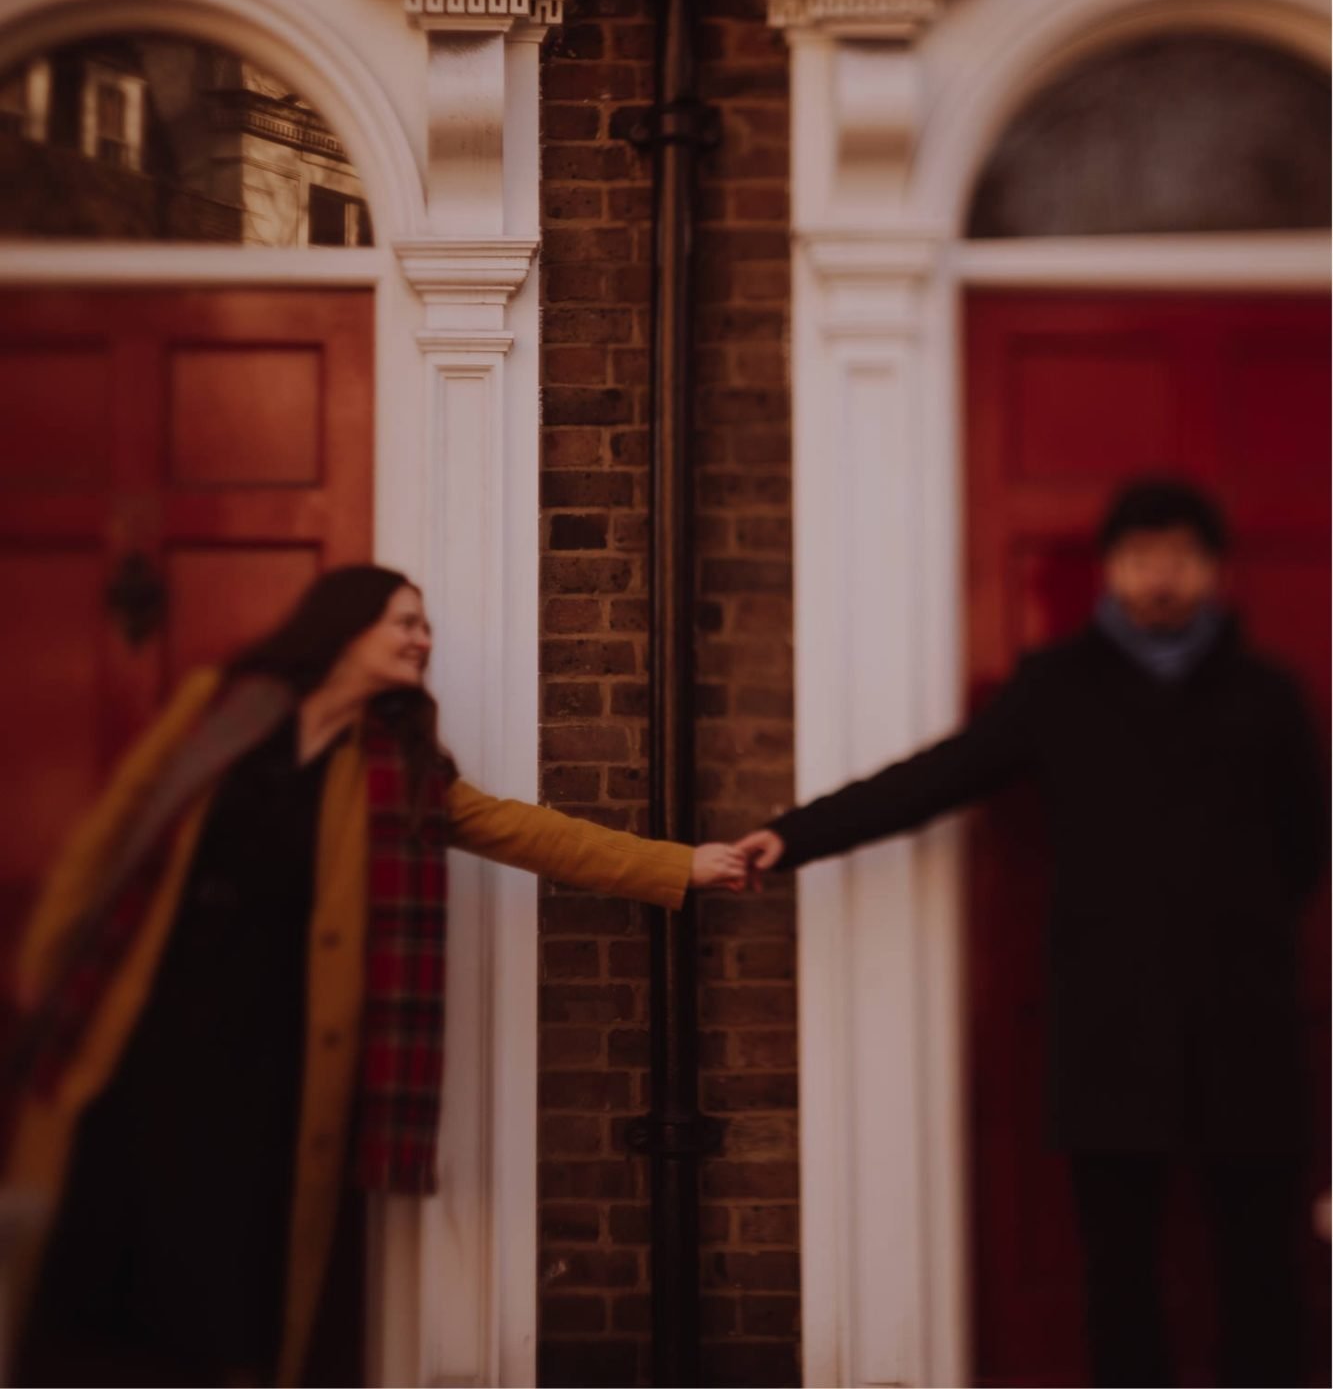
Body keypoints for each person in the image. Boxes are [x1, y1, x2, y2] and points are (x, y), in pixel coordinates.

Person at [4, 565, 746, 1388]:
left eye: (423, 626)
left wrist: (680, 865)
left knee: (234, 1260)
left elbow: (526, 832)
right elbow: (115, 826)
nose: (420, 640)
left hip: (274, 1048)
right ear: (345, 626)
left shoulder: (403, 768)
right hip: (150, 1023)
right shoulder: (220, 707)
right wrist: (45, 960)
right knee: (106, 1235)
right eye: (403, 622)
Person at [737, 477, 1328, 1389]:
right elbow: (939, 776)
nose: (1159, 575)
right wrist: (797, 835)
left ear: (1210, 569)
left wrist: (1236, 931)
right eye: (1140, 555)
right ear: (1111, 569)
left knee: (1262, 1277)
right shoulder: (1057, 687)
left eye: (1178, 555)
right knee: (1118, 1278)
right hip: (1110, 1036)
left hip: (1244, 1032)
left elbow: (1307, 843)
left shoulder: (1266, 695)